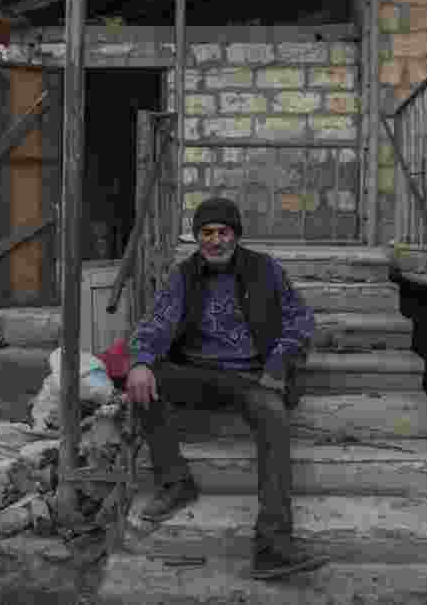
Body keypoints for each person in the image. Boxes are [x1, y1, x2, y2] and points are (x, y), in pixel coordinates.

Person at [125, 196, 328, 580]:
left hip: (253, 376)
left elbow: (299, 320)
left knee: (272, 416)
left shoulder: (265, 270)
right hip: (199, 374)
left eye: (223, 232)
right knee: (141, 383)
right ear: (197, 237)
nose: (215, 240)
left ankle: (273, 545)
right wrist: (140, 362)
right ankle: (175, 480)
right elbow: (157, 322)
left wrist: (278, 363)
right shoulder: (183, 276)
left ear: (235, 235)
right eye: (207, 233)